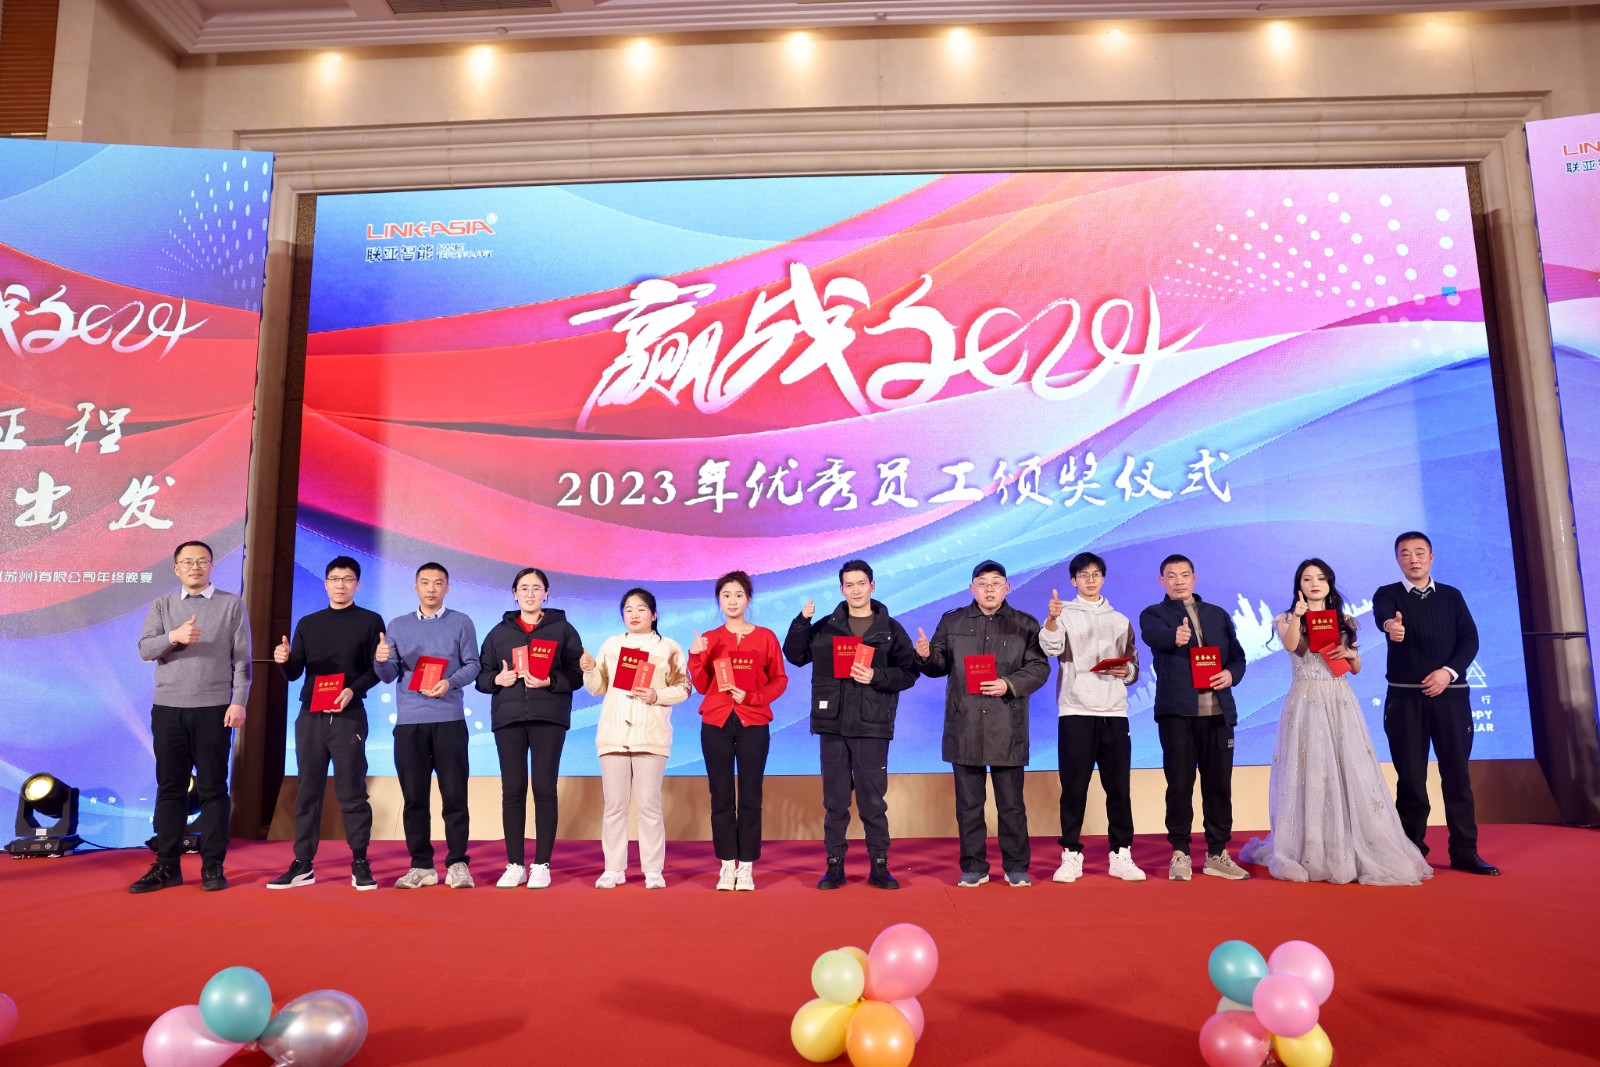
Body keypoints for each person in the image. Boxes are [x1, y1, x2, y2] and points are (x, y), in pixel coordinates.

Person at [1238, 559, 1432, 885]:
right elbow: (1291, 646)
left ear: (1329, 583)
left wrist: (1353, 657)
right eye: (1307, 579)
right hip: (1305, 700)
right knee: (1310, 770)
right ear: (1299, 585)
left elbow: (1354, 667)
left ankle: (1354, 845)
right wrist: (1298, 616)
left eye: (1321, 578)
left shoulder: (1344, 620)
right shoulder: (1286, 619)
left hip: (1340, 699)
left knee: (1348, 769)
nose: (1315, 583)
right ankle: (1313, 846)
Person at [782, 559, 919, 891]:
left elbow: (909, 673)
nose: (856, 590)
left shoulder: (890, 629)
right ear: (841, 589)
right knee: (835, 802)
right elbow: (795, 655)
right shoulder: (826, 627)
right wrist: (802, 621)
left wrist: (876, 676)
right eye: (849, 585)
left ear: (872, 586)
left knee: (873, 802)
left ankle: (880, 866)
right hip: (832, 725)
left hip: (873, 725)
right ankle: (834, 866)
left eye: (861, 583)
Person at [913, 560, 1050, 888]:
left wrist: (1008, 684)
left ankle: (1016, 866)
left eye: (996, 583)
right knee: (969, 805)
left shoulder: (1025, 624)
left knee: (1011, 804)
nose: (990, 589)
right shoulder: (953, 621)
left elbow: (1039, 667)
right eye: (983, 583)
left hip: (1007, 723)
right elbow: (938, 665)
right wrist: (925, 655)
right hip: (965, 722)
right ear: (971, 589)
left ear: (1007, 587)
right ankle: (974, 866)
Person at [1372, 531, 1498, 875]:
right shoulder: (1388, 594)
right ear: (1397, 559)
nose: (1413, 559)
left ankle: (1465, 851)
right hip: (1405, 701)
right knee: (1411, 780)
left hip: (1451, 698)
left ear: (1431, 557)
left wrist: (1447, 672)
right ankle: (1411, 853)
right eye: (1405, 553)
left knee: (1457, 777)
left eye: (1419, 552)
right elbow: (1383, 617)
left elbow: (1469, 640)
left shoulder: (1452, 596)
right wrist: (1391, 627)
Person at [129, 540, 251, 894]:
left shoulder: (231, 604)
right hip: (168, 708)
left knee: (213, 789)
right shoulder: (163, 605)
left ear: (211, 566)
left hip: (214, 708)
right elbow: (145, 649)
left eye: (202, 561)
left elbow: (242, 660)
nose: (195, 567)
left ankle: (213, 865)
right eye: (187, 561)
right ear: (176, 568)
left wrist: (238, 701)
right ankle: (167, 866)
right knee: (170, 788)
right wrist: (174, 636)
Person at [269, 555, 385, 891]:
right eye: (334, 579)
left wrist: (353, 690)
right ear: (326, 584)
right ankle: (303, 863)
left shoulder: (370, 621)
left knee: (352, 792)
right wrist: (283, 661)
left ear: (357, 585)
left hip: (349, 715)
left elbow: (377, 669)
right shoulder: (308, 623)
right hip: (311, 717)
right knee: (308, 792)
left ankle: (360, 860)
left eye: (347, 579)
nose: (340, 585)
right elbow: (294, 673)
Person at [1139, 554, 1250, 882]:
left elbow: (1237, 657)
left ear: (1194, 577)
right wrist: (1174, 637)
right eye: (1171, 576)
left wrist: (1230, 675)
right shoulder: (1154, 614)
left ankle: (1217, 853)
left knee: (1219, 786)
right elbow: (1153, 636)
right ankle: (1180, 852)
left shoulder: (1217, 614)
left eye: (1184, 575)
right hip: (1177, 713)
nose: (1179, 581)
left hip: (1218, 713)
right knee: (1179, 784)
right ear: (1162, 581)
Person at [1037, 552, 1145, 883]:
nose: (1090, 580)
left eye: (1096, 574)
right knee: (1074, 788)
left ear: (1103, 578)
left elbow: (1133, 667)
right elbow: (1051, 648)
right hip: (1076, 711)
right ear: (1074, 581)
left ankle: (1121, 854)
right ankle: (1071, 854)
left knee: (1119, 788)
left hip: (1114, 712)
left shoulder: (1120, 620)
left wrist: (1126, 671)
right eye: (1083, 575)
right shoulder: (1063, 615)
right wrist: (1051, 620)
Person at [374, 562, 481, 889]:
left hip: (449, 720)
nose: (431, 588)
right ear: (415, 586)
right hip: (410, 723)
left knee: (455, 796)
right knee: (414, 798)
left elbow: (473, 665)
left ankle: (458, 863)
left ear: (447, 587)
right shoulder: (397, 625)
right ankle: (421, 865)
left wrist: (449, 683)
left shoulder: (461, 622)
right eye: (425, 582)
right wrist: (380, 660)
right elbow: (388, 676)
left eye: (438, 583)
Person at [476, 567, 585, 889]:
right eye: (523, 588)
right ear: (514, 594)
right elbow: (481, 675)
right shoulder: (499, 633)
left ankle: (541, 864)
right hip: (508, 719)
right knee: (512, 790)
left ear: (546, 594)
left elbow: (577, 674)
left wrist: (551, 680)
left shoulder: (563, 629)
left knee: (544, 788)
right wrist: (498, 679)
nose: (530, 594)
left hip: (548, 717)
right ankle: (514, 864)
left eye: (537, 588)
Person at [580, 588, 691, 889]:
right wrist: (589, 670)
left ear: (654, 614)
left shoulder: (667, 647)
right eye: (628, 609)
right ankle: (614, 868)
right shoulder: (612, 644)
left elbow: (684, 688)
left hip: (650, 736)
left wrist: (656, 695)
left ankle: (653, 870)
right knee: (614, 806)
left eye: (641, 609)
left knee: (649, 805)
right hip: (614, 735)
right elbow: (597, 688)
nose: (634, 614)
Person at [688, 571, 788, 891]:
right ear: (719, 600)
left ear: (748, 599)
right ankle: (726, 865)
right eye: (726, 595)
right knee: (720, 796)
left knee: (750, 796)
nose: (732, 601)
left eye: (739, 595)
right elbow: (702, 685)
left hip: (753, 723)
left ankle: (746, 866)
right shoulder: (709, 638)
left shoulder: (766, 637)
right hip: (716, 722)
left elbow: (780, 680)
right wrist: (696, 655)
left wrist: (752, 697)